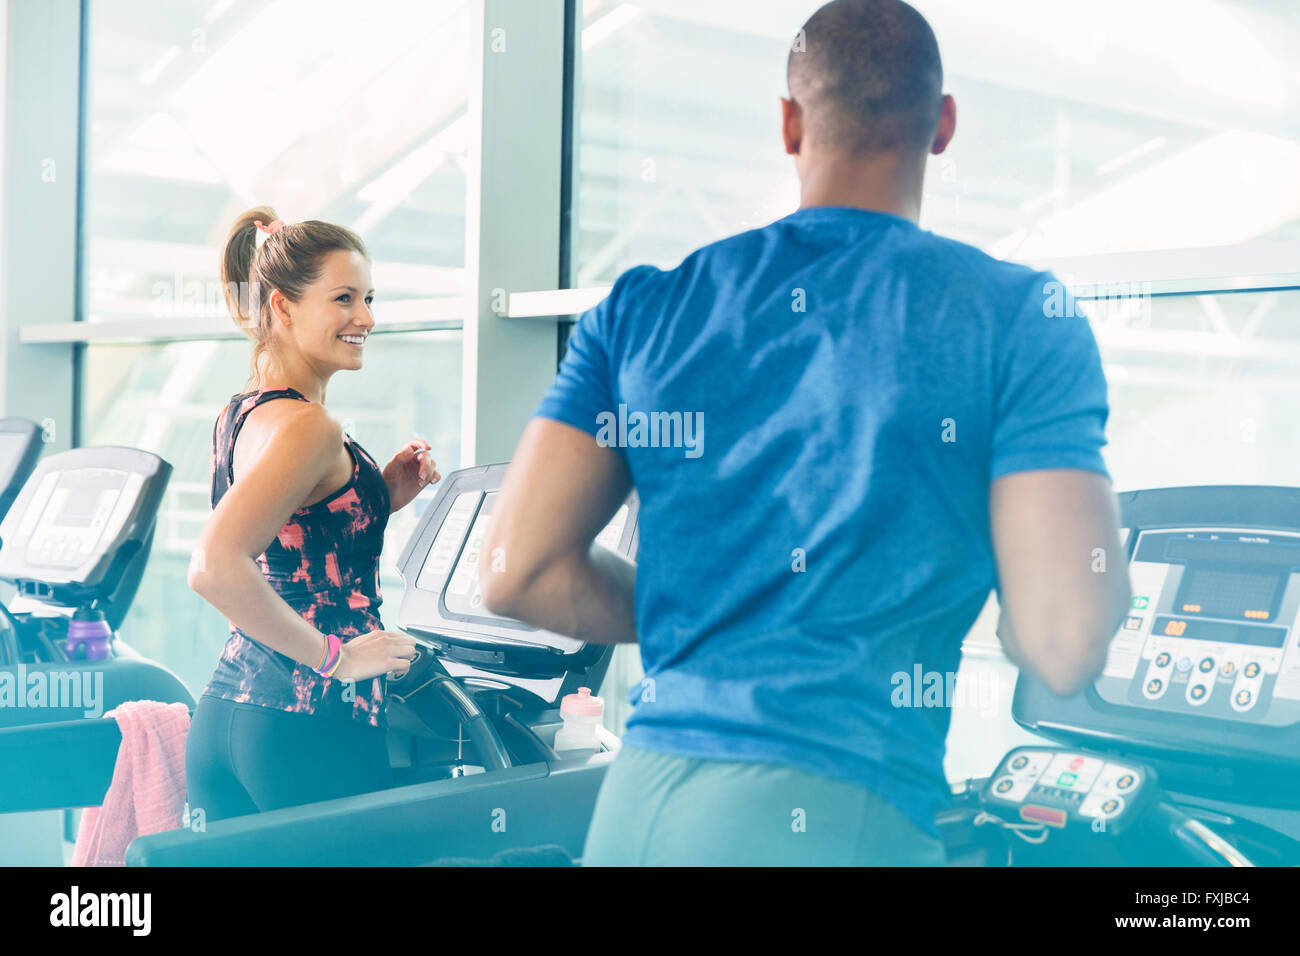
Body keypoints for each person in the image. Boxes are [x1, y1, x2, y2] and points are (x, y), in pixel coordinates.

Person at [481, 0, 1131, 866]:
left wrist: (710, 609)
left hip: (633, 812)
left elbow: (517, 572)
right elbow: (1065, 639)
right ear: (941, 126)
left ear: (789, 125)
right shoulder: (1017, 319)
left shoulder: (642, 310)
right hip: (833, 816)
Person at [185, 207, 440, 822]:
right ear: (281, 307)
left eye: (370, 298)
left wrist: (375, 494)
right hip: (309, 725)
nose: (366, 319)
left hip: (229, 718)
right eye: (344, 298)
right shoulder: (311, 426)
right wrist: (341, 658)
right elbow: (215, 565)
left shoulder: (243, 411)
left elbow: (289, 544)